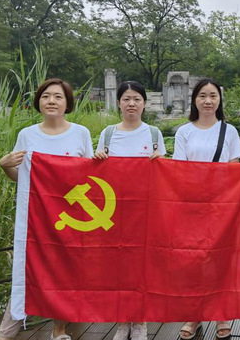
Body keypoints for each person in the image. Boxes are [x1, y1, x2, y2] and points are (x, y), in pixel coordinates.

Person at [0, 78, 94, 340]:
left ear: (67, 103)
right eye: (46, 96)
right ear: (38, 101)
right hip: (35, 219)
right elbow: (21, 177)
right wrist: (5, 166)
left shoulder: (81, 133)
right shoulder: (27, 135)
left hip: (70, 218)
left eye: (58, 97)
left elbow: (89, 177)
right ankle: (6, 333)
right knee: (26, 270)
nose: (51, 101)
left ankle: (59, 330)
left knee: (66, 273)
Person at [94, 81, 166, 340]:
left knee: (142, 266)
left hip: (145, 210)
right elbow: (97, 174)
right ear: (119, 103)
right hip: (113, 213)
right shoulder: (108, 134)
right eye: (126, 99)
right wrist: (97, 159)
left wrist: (161, 162)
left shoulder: (154, 134)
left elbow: (164, 175)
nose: (131, 104)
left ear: (144, 103)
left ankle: (140, 321)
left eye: (137, 99)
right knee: (118, 266)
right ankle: (123, 320)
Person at [173, 78, 240, 340]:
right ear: (194, 99)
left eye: (213, 95)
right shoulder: (184, 132)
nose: (207, 101)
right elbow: (179, 170)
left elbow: (235, 168)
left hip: (222, 205)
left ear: (219, 100)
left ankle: (220, 314)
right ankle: (195, 313)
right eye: (202, 95)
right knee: (194, 260)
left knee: (219, 259)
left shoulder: (229, 131)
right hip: (191, 205)